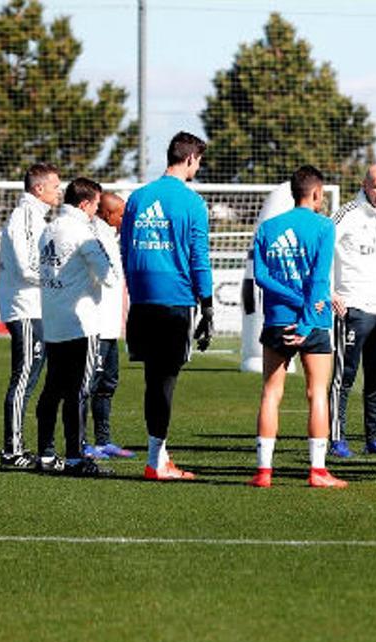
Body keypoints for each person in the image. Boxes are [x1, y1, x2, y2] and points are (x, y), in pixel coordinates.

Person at [121, 131, 213, 481]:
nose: (198, 167)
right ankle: (156, 462)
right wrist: (207, 306)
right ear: (190, 158)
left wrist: (137, 290)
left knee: (153, 380)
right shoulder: (192, 203)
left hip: (143, 301)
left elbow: (127, 251)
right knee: (165, 382)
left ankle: (157, 454)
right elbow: (198, 258)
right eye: (199, 160)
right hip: (176, 301)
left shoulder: (138, 198)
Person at [248, 166, 344, 489]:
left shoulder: (268, 228)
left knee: (270, 394)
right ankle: (318, 471)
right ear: (317, 194)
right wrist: (305, 318)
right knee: (317, 393)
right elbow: (319, 280)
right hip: (312, 321)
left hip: (276, 320)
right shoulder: (323, 227)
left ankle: (263, 472)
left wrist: (290, 299)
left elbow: (261, 277)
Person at [35, 177, 115, 477]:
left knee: (52, 388)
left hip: (53, 321)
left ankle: (46, 454)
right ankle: (75, 458)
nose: (97, 210)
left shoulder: (48, 229)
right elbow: (108, 275)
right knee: (78, 391)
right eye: (96, 204)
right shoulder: (84, 232)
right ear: (85, 204)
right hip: (80, 323)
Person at [328, 165, 376, 459]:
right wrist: (330, 291)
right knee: (344, 377)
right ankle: (335, 438)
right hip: (353, 306)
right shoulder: (346, 214)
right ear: (364, 185)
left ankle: (374, 438)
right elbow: (323, 249)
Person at [0, 163, 60, 470]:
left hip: (36, 307)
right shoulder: (24, 216)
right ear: (39, 189)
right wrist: (57, 276)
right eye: (55, 186)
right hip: (25, 308)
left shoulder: (36, 217)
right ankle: (12, 451)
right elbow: (25, 267)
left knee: (31, 377)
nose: (59, 191)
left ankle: (17, 447)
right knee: (23, 378)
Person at [83, 192, 133, 460]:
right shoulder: (96, 238)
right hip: (97, 326)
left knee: (108, 383)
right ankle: (81, 442)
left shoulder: (112, 238)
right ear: (105, 214)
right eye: (121, 214)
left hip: (111, 326)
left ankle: (103, 441)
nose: (125, 218)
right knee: (88, 385)